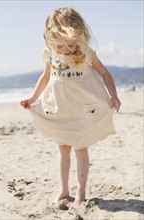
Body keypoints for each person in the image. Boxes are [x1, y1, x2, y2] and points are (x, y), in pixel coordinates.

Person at [20, 7, 121, 209]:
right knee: (63, 148)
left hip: (82, 107)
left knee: (80, 147)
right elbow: (46, 77)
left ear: (80, 35)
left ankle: (80, 192)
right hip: (60, 108)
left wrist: (114, 95)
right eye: (60, 45)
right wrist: (32, 98)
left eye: (70, 44)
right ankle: (63, 189)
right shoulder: (50, 54)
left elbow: (105, 73)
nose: (65, 50)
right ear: (50, 38)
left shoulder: (85, 53)